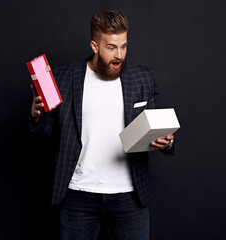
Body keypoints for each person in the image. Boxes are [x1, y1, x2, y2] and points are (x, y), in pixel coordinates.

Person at [30, 10, 175, 240]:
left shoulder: (143, 78)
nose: (120, 55)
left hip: (130, 197)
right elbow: (47, 136)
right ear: (94, 46)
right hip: (78, 196)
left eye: (124, 46)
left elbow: (159, 127)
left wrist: (166, 141)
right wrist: (37, 118)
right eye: (111, 48)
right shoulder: (64, 78)